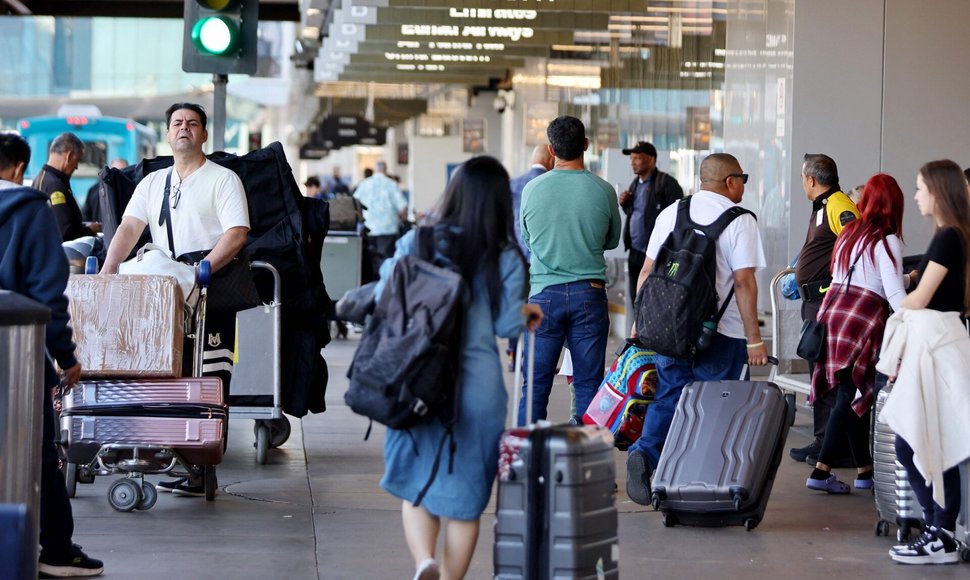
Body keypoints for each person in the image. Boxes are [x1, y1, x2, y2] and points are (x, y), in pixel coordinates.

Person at [375, 156, 542, 580]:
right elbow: (507, 324)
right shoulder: (504, 255)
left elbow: (385, 291)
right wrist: (526, 312)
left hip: (419, 378)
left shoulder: (420, 240)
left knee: (418, 482)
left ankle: (424, 561)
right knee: (467, 500)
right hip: (479, 388)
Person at [102, 103, 250, 497]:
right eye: (177, 123)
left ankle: (203, 467)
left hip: (208, 290)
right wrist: (109, 268)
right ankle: (158, 448)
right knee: (157, 373)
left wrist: (204, 270)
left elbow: (236, 233)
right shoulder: (153, 183)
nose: (184, 129)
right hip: (160, 296)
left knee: (209, 377)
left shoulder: (223, 179)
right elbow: (130, 226)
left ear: (204, 135)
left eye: (193, 124)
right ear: (168, 134)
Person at [626, 153, 768, 505]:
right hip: (724, 332)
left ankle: (646, 453)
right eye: (743, 179)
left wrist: (638, 324)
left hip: (670, 327)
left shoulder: (672, 212)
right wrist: (755, 340)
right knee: (716, 406)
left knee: (670, 394)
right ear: (731, 181)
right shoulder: (740, 220)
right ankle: (698, 479)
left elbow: (647, 271)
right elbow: (744, 282)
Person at [0, 132, 103, 577]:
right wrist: (66, 358)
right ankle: (55, 550)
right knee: (36, 449)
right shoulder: (30, 209)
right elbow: (48, 293)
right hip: (17, 352)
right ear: (21, 169)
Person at [886, 160, 970, 565]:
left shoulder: (948, 238)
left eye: (920, 188)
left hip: (936, 347)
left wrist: (896, 300)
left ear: (937, 192)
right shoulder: (952, 236)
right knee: (924, 440)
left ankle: (942, 532)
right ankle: (940, 529)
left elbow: (919, 299)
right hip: (942, 344)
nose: (916, 195)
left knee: (924, 440)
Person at [804, 173, 907, 495]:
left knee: (853, 392)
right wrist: (914, 319)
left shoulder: (850, 233)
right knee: (850, 395)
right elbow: (893, 296)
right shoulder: (886, 240)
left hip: (834, 313)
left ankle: (865, 472)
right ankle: (821, 472)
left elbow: (840, 276)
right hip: (863, 318)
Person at [518, 115, 622, 425]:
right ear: (586, 145)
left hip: (541, 297)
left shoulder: (532, 190)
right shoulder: (603, 190)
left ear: (551, 150)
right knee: (589, 384)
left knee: (534, 386)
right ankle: (586, 464)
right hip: (588, 295)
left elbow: (528, 239)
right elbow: (612, 240)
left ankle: (528, 462)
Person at [789, 154, 860, 467]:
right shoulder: (822, 206)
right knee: (820, 375)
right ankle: (822, 442)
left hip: (828, 304)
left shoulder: (839, 205)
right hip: (814, 304)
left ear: (812, 180)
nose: (802, 182)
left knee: (830, 377)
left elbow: (857, 250)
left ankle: (835, 447)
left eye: (803, 177)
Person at [505, 144, 554, 370]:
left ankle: (513, 353)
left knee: (518, 303)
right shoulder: (551, 183)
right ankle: (535, 359)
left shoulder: (514, 183)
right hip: (543, 257)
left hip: (516, 255)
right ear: (550, 160)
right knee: (538, 305)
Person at [618, 141, 683, 304]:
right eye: (631, 158)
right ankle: (637, 328)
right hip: (635, 252)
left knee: (655, 298)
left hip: (656, 254)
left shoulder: (666, 184)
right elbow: (637, 214)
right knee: (636, 296)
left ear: (652, 160)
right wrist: (625, 204)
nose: (633, 162)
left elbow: (679, 217)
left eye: (637, 158)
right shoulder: (635, 184)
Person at [32, 132, 101, 242]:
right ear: (68, 156)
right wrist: (90, 230)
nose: (77, 167)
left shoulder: (41, 177)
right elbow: (64, 232)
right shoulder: (54, 185)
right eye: (77, 160)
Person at [354, 160, 408, 276]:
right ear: (385, 170)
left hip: (369, 229)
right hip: (388, 229)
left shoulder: (365, 184)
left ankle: (372, 285)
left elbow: (354, 204)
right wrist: (402, 218)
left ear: (375, 170)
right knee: (387, 260)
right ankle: (385, 286)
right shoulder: (391, 184)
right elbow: (403, 207)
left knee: (370, 260)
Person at [82, 158, 128, 223]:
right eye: (115, 172)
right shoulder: (94, 191)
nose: (119, 176)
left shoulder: (133, 192)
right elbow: (86, 216)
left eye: (122, 172)